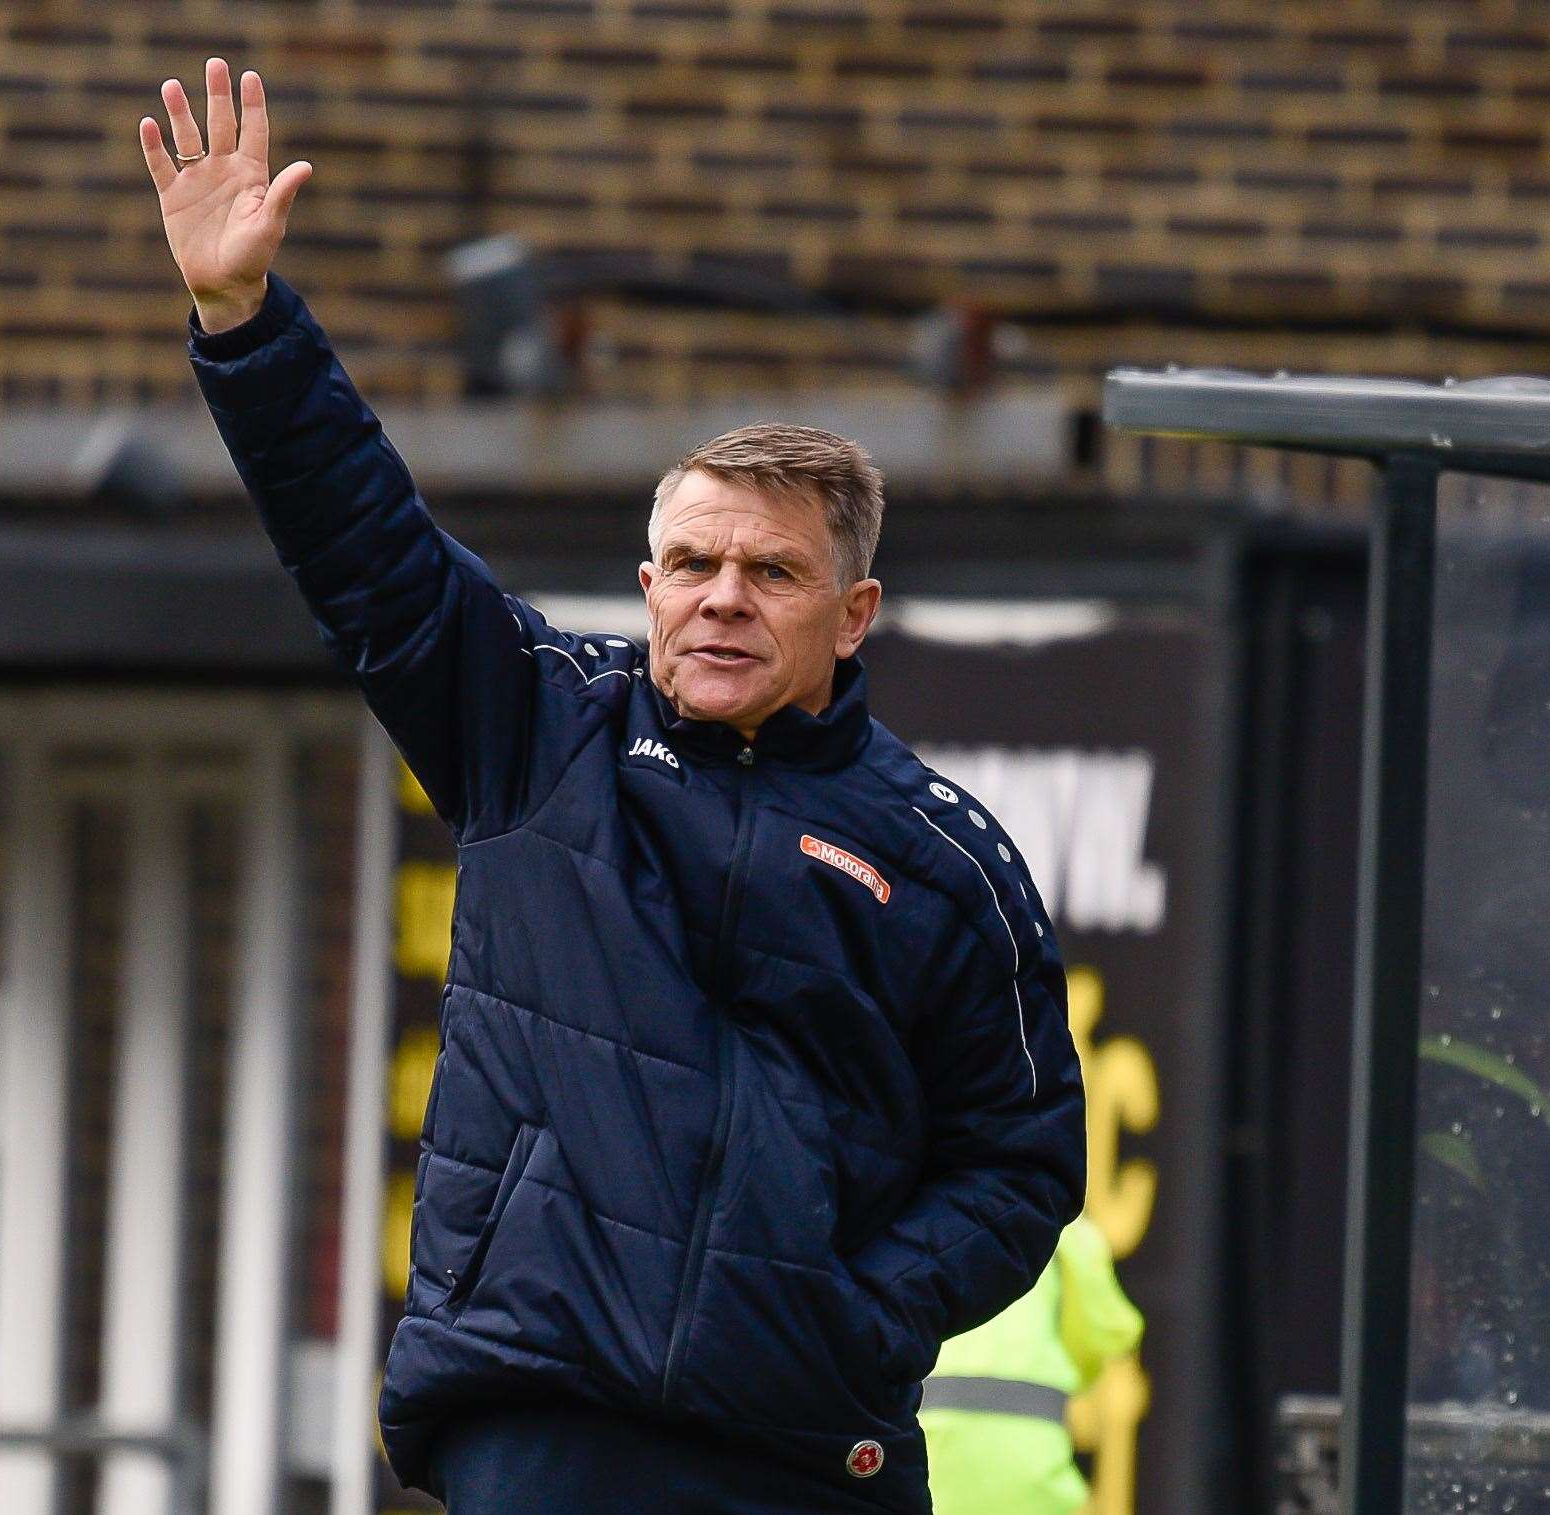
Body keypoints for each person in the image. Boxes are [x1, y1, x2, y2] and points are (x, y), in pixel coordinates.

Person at [141, 59, 1085, 1515]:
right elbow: (362, 538)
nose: (721, 598)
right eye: (693, 565)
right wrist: (241, 319)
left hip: (802, 1447)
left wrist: (852, 1317)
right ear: (646, 586)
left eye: (771, 570)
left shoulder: (943, 860)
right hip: (545, 1421)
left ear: (853, 611)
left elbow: (1018, 1165)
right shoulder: (533, 722)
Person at [920, 1215, 1142, 1515]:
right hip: (1029, 1455)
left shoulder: (914, 1213)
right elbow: (1107, 1332)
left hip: (920, 1447)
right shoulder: (1062, 1227)